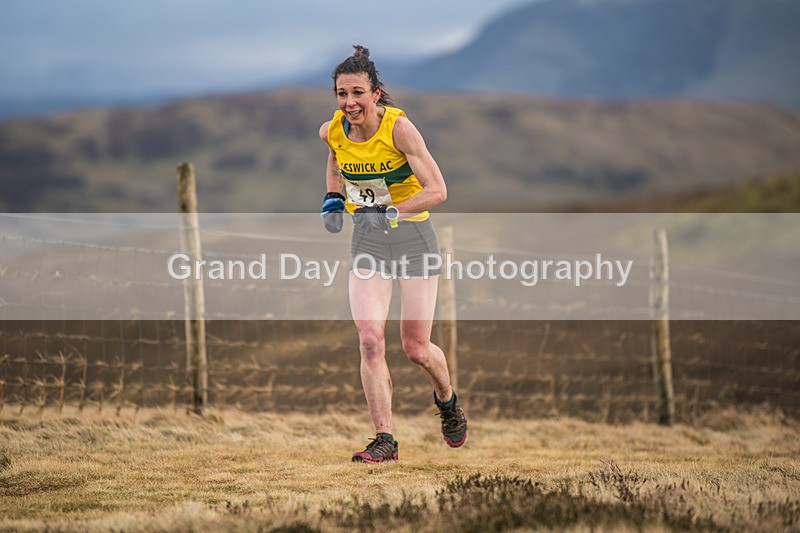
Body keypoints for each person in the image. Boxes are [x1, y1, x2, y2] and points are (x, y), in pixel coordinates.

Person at [319, 45, 467, 463]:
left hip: (414, 241)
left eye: (358, 93)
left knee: (416, 348)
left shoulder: (400, 130)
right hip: (368, 243)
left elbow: (438, 190)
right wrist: (333, 197)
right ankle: (384, 439)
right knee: (370, 340)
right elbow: (335, 158)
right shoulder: (331, 130)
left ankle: (448, 402)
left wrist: (390, 211)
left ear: (376, 93)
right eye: (342, 94)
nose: (350, 103)